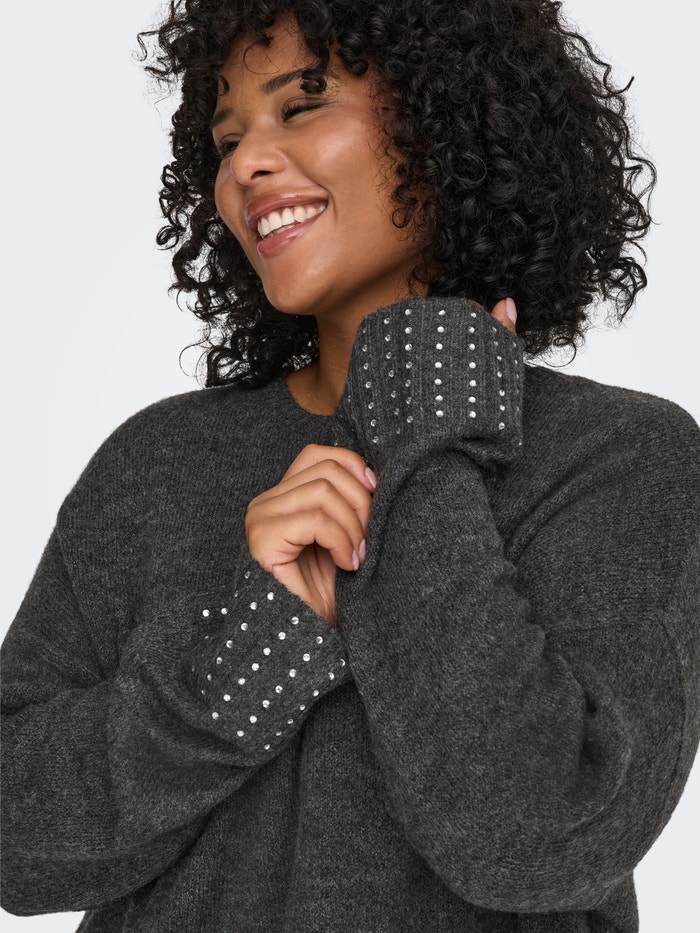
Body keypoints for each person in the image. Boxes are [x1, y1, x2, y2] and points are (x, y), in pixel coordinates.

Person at [2, 1, 698, 931]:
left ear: (450, 114)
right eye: (227, 138)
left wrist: (424, 438)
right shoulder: (156, 461)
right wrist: (246, 661)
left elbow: (537, 842)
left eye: (302, 104)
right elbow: (14, 844)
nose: (245, 163)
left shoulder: (619, 456)